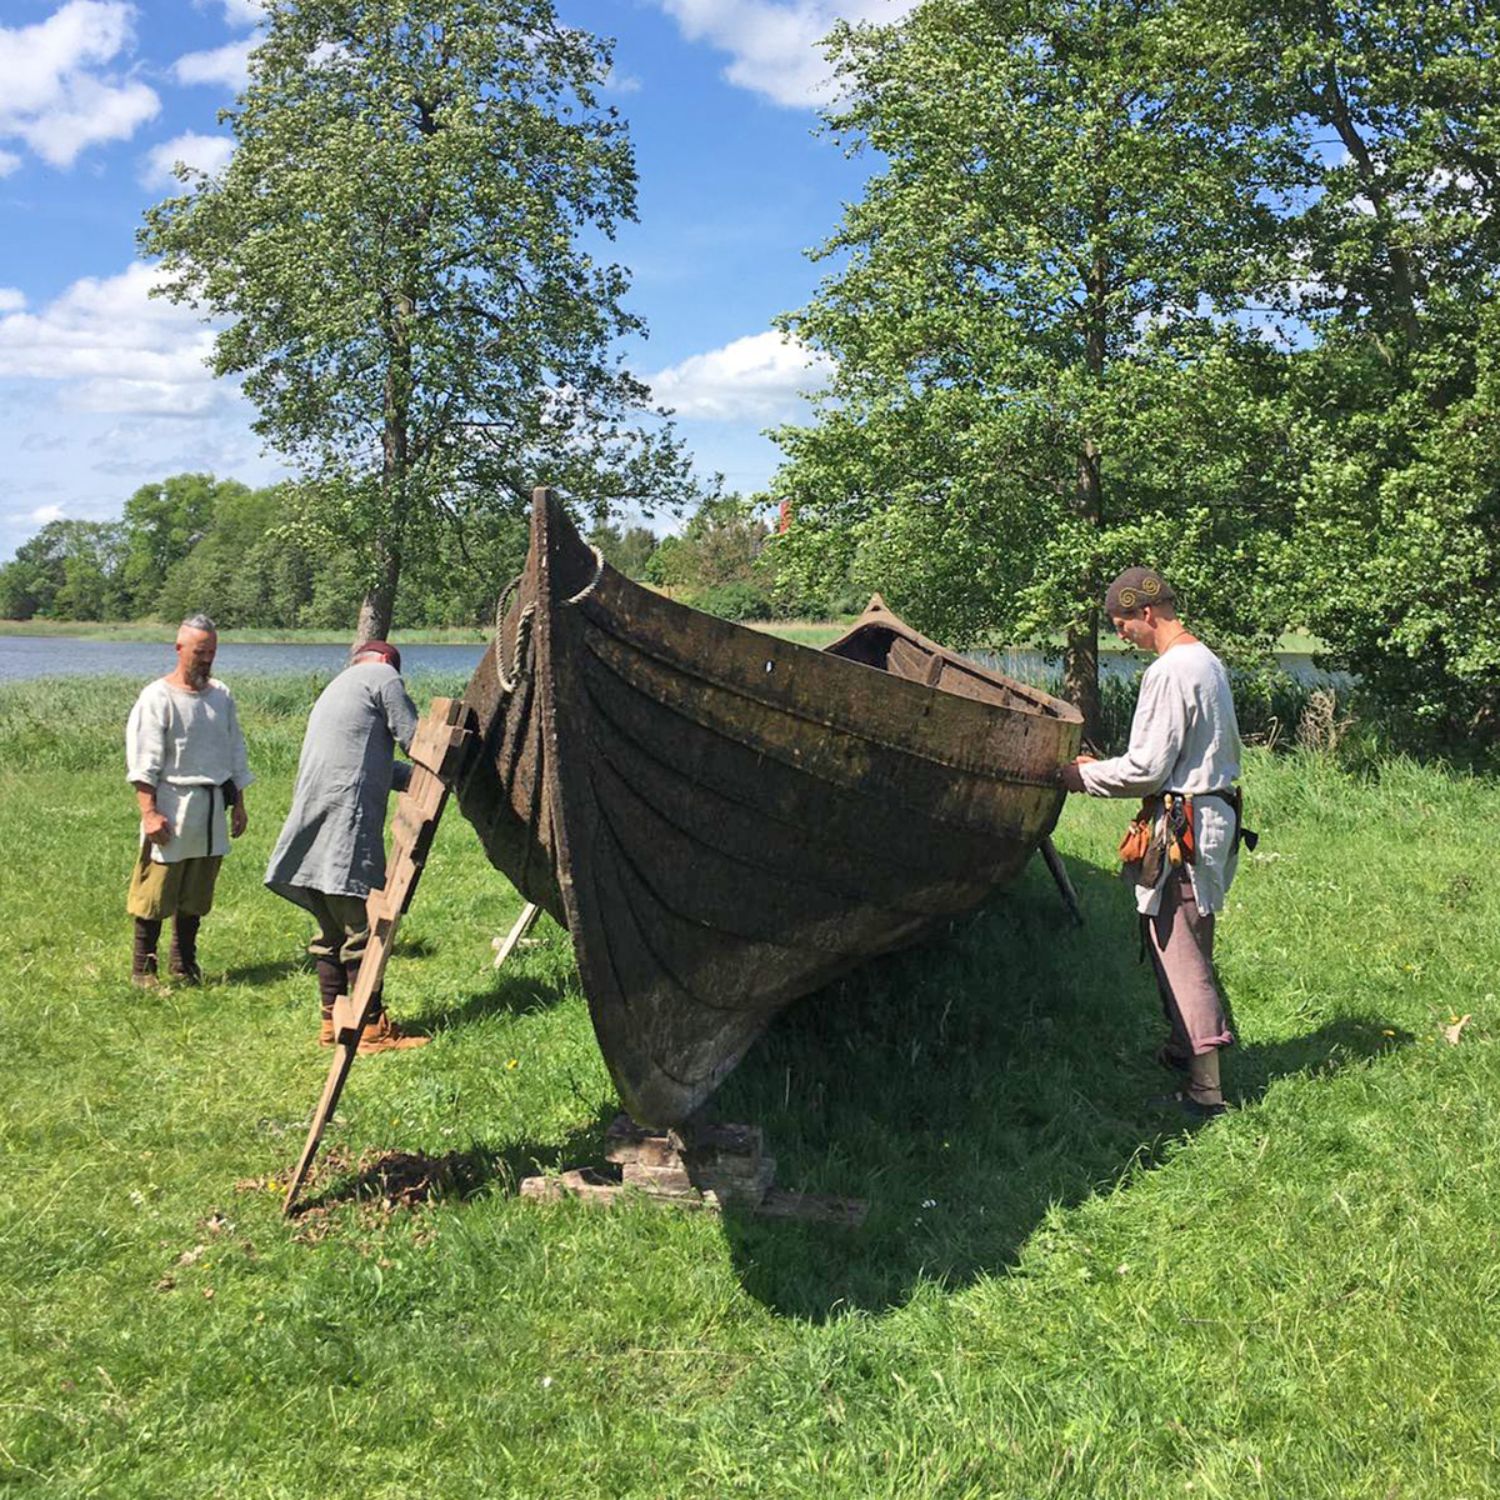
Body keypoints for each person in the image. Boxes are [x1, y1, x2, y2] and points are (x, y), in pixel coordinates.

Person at [1058, 568, 1247, 1119]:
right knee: (1193, 933)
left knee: (1178, 948)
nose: (1123, 637)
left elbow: (1145, 769)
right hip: (1212, 816)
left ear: (1146, 612)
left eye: (1123, 626)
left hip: (1185, 826)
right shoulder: (1205, 660)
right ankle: (1183, 1047)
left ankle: (1206, 1092)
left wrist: (1082, 777)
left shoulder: (1169, 671)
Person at [264, 641, 428, 1052]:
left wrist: (409, 779)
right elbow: (417, 741)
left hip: (314, 816)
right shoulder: (384, 677)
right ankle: (369, 1026)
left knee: (329, 929)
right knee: (361, 928)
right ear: (389, 661)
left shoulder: (339, 687)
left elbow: (363, 757)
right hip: (343, 816)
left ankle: (329, 1021)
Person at [125, 614, 252, 986]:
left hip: (211, 807)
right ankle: (143, 971)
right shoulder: (157, 697)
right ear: (179, 649)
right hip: (171, 805)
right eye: (200, 651)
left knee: (196, 894)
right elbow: (143, 761)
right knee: (155, 891)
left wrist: (239, 802)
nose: (206, 659)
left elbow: (234, 750)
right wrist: (149, 813)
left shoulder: (221, 696)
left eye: (212, 652)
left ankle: (184, 965)